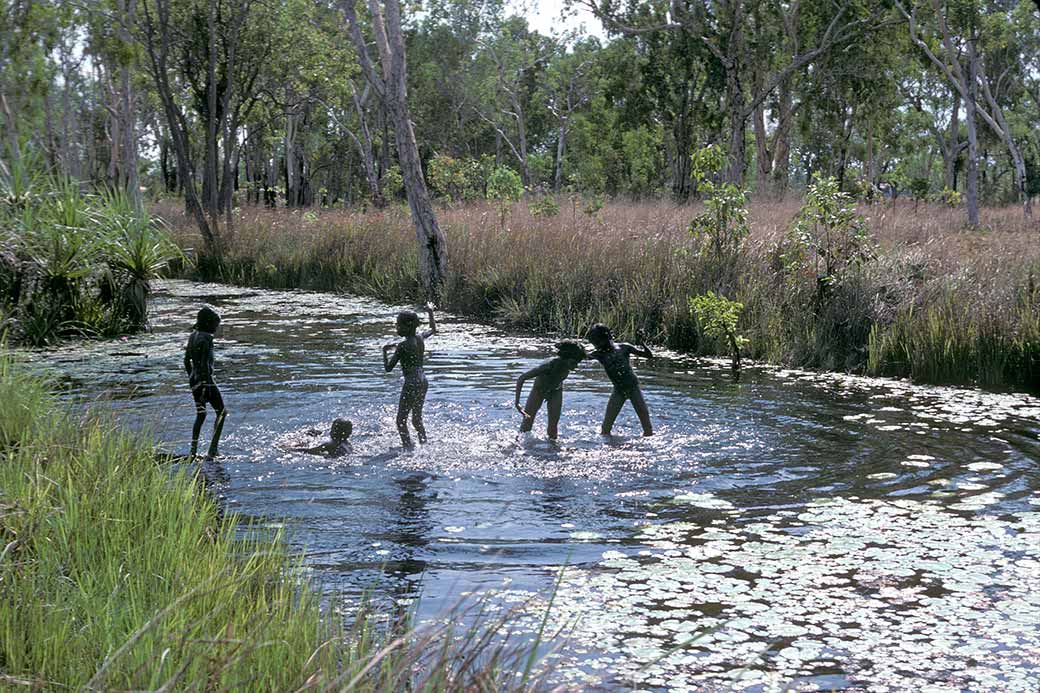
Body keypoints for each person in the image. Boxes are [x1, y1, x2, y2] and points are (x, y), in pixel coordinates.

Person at [383, 304, 437, 448]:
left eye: (398, 325)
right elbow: (433, 329)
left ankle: (408, 448)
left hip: (411, 382)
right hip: (423, 381)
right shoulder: (420, 338)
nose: (397, 328)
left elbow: (388, 368)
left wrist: (384, 351)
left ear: (407, 327)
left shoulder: (402, 346)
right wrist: (430, 312)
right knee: (417, 419)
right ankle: (424, 444)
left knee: (401, 420)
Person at [587, 323, 654, 437]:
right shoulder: (598, 354)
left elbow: (649, 355)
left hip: (634, 389)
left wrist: (642, 343)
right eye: (594, 343)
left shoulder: (624, 347)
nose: (596, 345)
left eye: (597, 342)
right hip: (618, 391)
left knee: (647, 427)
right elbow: (581, 356)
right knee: (606, 428)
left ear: (608, 337)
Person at [514, 341, 586, 440]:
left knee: (553, 428)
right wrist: (517, 403)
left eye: (577, 363)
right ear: (565, 358)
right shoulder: (548, 366)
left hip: (556, 391)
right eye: (573, 363)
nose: (576, 366)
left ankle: (552, 450)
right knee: (527, 422)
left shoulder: (568, 365)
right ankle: (518, 445)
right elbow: (522, 378)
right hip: (539, 391)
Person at [184, 306, 227, 459]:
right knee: (222, 412)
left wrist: (193, 380)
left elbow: (187, 361)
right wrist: (205, 385)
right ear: (208, 323)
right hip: (206, 382)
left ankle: (193, 451)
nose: (216, 328)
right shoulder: (207, 338)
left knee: (201, 415)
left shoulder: (192, 336)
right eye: (216, 325)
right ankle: (213, 450)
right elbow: (203, 364)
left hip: (194, 380)